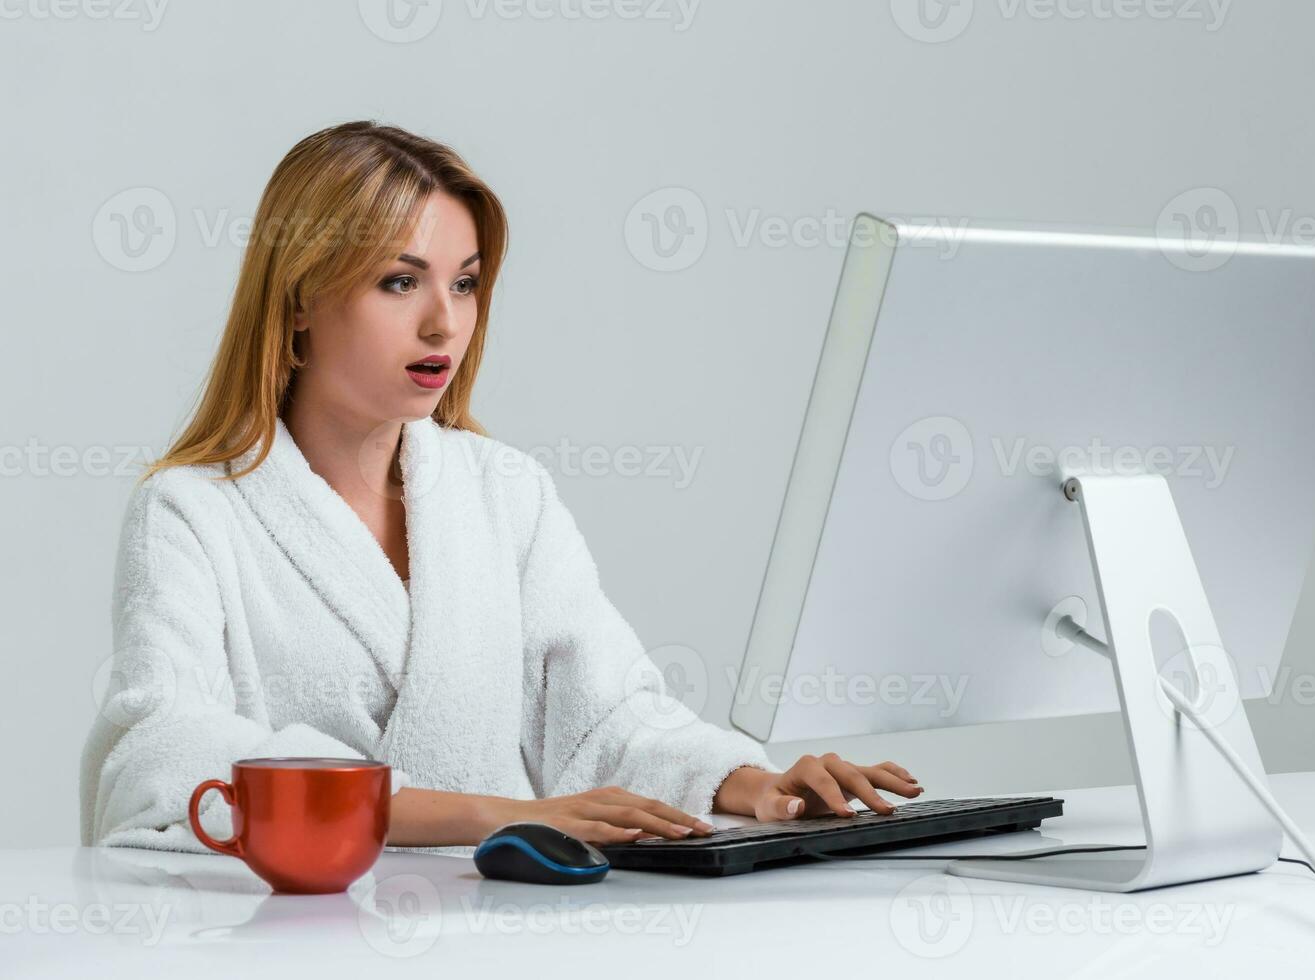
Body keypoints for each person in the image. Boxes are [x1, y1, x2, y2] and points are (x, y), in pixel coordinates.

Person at [80, 121, 923, 854]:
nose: (444, 321)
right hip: (297, 937)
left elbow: (606, 717)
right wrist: (488, 814)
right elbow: (164, 751)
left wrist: (753, 781)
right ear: (300, 295)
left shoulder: (502, 493)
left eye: (466, 282)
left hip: (494, 922)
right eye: (399, 281)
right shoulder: (193, 511)